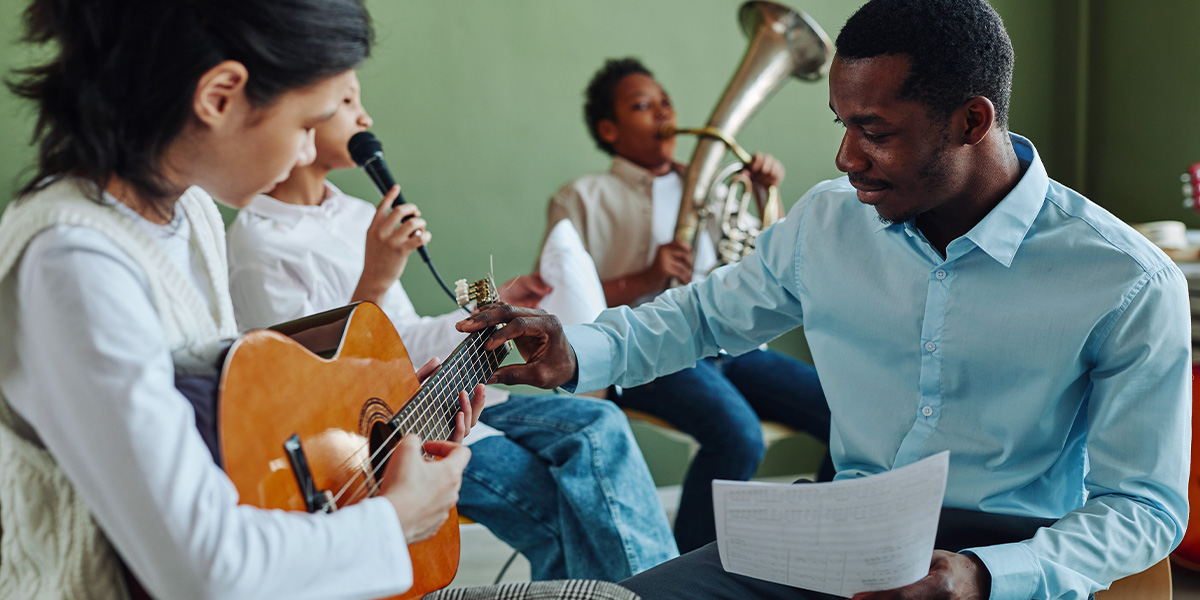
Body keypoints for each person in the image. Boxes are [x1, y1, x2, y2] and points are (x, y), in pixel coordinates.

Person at [462, 0, 1192, 598]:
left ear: (972, 122)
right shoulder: (827, 219)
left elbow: (1145, 509)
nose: (846, 160)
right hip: (837, 538)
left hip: (1009, 558)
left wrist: (985, 576)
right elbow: (702, 314)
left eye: (874, 132)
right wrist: (578, 347)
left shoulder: (1126, 281)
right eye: (842, 126)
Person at [0, 2, 637, 600]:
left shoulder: (188, 211)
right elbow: (202, 569)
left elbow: (232, 427)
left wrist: (398, 422)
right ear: (219, 96)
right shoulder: (75, 265)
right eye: (308, 123)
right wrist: (398, 517)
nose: (308, 152)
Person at [224, 71, 679, 581]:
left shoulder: (355, 215)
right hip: (376, 441)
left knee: (601, 425)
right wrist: (373, 279)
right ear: (299, 114)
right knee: (561, 507)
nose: (364, 117)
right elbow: (306, 394)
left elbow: (403, 337)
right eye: (346, 100)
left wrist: (496, 305)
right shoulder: (259, 246)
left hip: (431, 398)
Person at [541, 57, 832, 553]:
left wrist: (765, 197)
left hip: (730, 347)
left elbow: (760, 262)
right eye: (641, 106)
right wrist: (646, 278)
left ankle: (821, 550)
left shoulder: (714, 183)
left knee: (844, 410)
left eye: (665, 102)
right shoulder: (582, 196)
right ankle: (691, 572)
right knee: (737, 435)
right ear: (609, 129)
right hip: (649, 352)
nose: (662, 113)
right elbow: (565, 301)